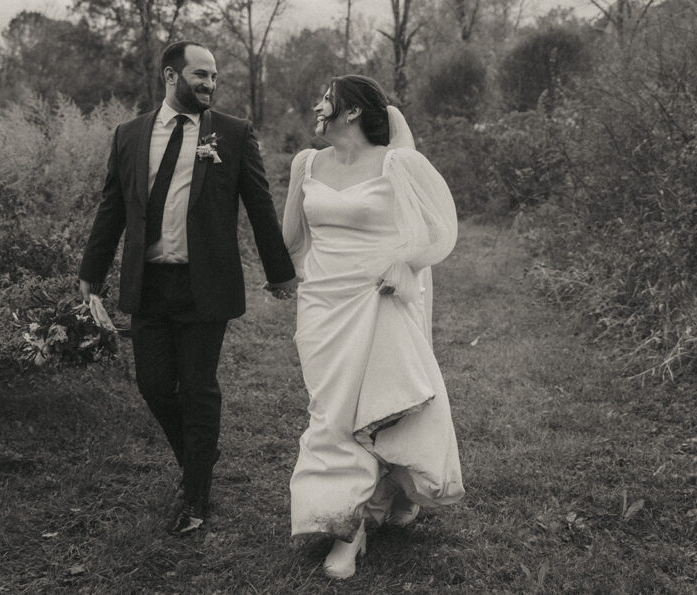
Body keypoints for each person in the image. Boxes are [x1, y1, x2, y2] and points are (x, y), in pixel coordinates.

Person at [79, 41, 297, 536]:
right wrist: (91, 269)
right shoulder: (130, 135)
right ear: (170, 75)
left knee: (198, 389)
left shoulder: (234, 135)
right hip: (148, 282)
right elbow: (112, 207)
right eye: (201, 75)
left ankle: (196, 492)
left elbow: (260, 207)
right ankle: (201, 454)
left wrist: (280, 272)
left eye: (215, 77)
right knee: (153, 385)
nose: (210, 84)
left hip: (205, 284)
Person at [281, 75, 464, 579]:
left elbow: (440, 230)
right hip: (322, 305)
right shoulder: (306, 164)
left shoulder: (397, 163)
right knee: (329, 411)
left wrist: (404, 263)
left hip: (378, 301)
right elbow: (293, 238)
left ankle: (349, 530)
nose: (317, 106)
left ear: (353, 111)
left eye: (326, 99)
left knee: (368, 408)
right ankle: (382, 494)